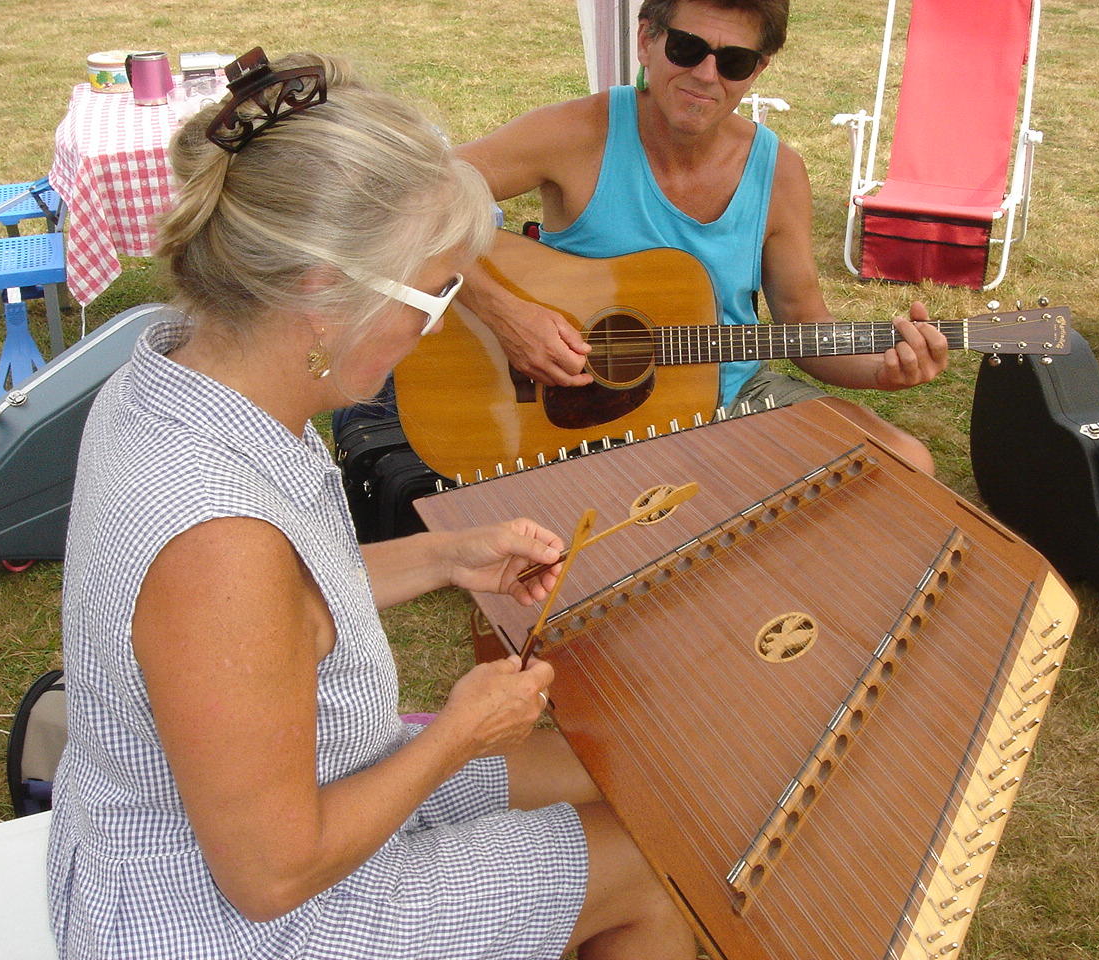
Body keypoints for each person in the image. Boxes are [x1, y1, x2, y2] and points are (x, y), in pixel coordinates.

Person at [47, 49, 695, 960]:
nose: (435, 325)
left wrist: (445, 555)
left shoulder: (196, 374)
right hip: (215, 916)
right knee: (644, 864)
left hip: (285, 798)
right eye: (432, 296)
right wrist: (459, 733)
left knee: (621, 778)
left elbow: (275, 612)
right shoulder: (215, 532)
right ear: (320, 292)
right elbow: (271, 874)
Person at [456, 0, 948, 474]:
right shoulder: (580, 132)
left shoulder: (778, 173)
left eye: (734, 61)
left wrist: (881, 373)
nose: (707, 76)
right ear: (648, 39)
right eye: (687, 49)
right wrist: (507, 314)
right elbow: (409, 192)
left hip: (731, 397)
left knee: (907, 462)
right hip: (585, 412)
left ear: (758, 69)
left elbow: (804, 325)